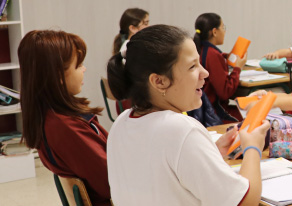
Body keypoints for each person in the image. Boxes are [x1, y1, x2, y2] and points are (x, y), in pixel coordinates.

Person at [106, 24, 270, 206]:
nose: (205, 73)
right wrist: (253, 148)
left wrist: (211, 152)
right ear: (159, 81)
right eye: (193, 66)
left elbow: (159, 177)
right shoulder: (181, 130)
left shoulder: (121, 123)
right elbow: (245, 202)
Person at [18, 30, 111, 206]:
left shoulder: (51, 118)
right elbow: (111, 183)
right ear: (58, 75)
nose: (84, 69)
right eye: (78, 65)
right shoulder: (65, 127)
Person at [193, 13, 246, 123]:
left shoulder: (201, 49)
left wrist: (223, 58)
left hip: (201, 109)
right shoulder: (213, 55)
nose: (225, 31)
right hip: (213, 112)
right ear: (215, 32)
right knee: (249, 119)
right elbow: (225, 92)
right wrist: (237, 69)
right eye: (223, 27)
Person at [112, 8, 149, 113]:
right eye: (145, 23)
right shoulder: (131, 47)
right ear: (132, 28)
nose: (149, 26)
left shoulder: (128, 45)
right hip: (132, 102)